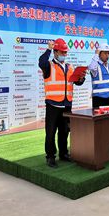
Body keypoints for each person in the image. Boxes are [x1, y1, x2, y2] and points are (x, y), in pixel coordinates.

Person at [38, 38, 85, 167]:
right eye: (62, 52)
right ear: (55, 52)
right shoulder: (48, 66)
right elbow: (41, 62)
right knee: (51, 132)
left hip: (67, 105)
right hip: (53, 105)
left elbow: (77, 82)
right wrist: (48, 49)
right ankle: (50, 156)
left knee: (65, 131)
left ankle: (63, 153)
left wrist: (81, 78)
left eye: (65, 52)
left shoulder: (70, 67)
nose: (64, 54)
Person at [88, 43, 109, 108]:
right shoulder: (96, 66)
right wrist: (96, 54)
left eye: (108, 53)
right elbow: (92, 67)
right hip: (99, 99)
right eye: (105, 53)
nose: (107, 56)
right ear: (100, 54)